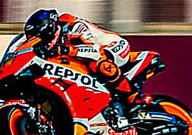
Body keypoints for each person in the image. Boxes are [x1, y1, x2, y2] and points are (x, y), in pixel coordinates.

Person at [22, 8, 158, 109]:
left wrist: (66, 50)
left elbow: (94, 51)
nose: (41, 42)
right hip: (89, 54)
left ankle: (133, 99)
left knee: (100, 65)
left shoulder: (74, 27)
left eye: (41, 38)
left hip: (114, 46)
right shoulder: (55, 41)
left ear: (49, 30)